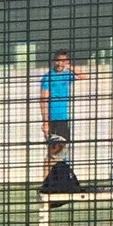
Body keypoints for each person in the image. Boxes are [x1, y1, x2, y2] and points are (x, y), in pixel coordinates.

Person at [39, 48, 85, 176]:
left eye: (63, 61)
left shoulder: (66, 75)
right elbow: (43, 100)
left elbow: (83, 76)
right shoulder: (48, 77)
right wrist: (45, 122)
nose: (60, 64)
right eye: (58, 61)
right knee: (54, 153)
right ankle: (46, 181)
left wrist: (69, 67)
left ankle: (60, 180)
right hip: (54, 119)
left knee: (63, 152)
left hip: (64, 118)